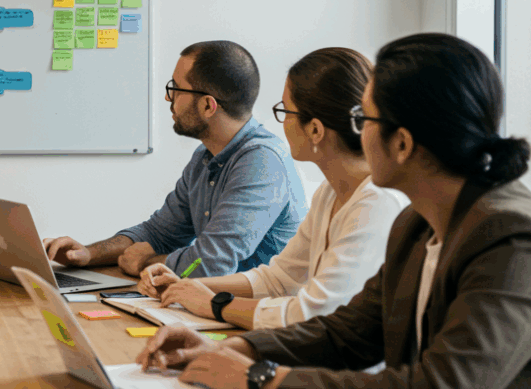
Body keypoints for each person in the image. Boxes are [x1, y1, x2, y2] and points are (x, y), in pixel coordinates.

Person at [135, 33, 531, 389]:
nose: (356, 132)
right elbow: (348, 331)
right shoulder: (417, 221)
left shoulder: (511, 237)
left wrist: (263, 377)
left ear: (404, 143)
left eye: (363, 119)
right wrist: (238, 349)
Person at [137, 48, 405, 329]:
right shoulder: (330, 193)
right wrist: (185, 286)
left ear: (315, 130)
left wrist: (215, 304)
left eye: (285, 111)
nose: (282, 123)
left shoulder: (376, 204)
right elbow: (277, 279)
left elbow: (314, 311)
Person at [44, 40, 306, 278]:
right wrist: (87, 254)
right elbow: (159, 232)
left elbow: (209, 263)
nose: (169, 98)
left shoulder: (262, 163)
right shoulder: (205, 157)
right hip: (215, 305)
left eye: (176, 89)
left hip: (261, 315)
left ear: (207, 106)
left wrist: (147, 264)